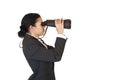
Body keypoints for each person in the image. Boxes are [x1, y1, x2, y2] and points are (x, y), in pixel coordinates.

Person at [18, 13, 67, 80]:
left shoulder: (34, 40)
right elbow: (56, 56)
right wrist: (60, 33)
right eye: (41, 24)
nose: (44, 26)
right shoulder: (30, 44)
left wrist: (53, 23)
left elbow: (51, 51)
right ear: (31, 27)